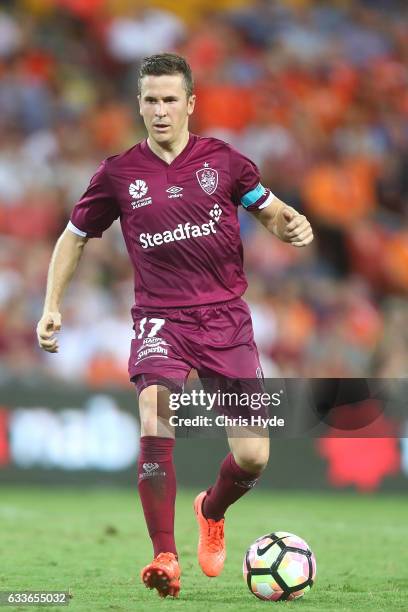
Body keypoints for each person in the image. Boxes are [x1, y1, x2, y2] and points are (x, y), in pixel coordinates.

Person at [36, 53, 313, 599]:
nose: (160, 111)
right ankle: (165, 555)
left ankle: (211, 509)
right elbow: (74, 237)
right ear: (139, 105)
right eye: (150, 100)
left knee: (254, 454)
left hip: (227, 318)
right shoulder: (118, 173)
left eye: (170, 100)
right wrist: (52, 305)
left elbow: (270, 210)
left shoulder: (225, 162)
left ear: (190, 103)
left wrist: (292, 225)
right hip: (161, 318)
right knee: (155, 409)